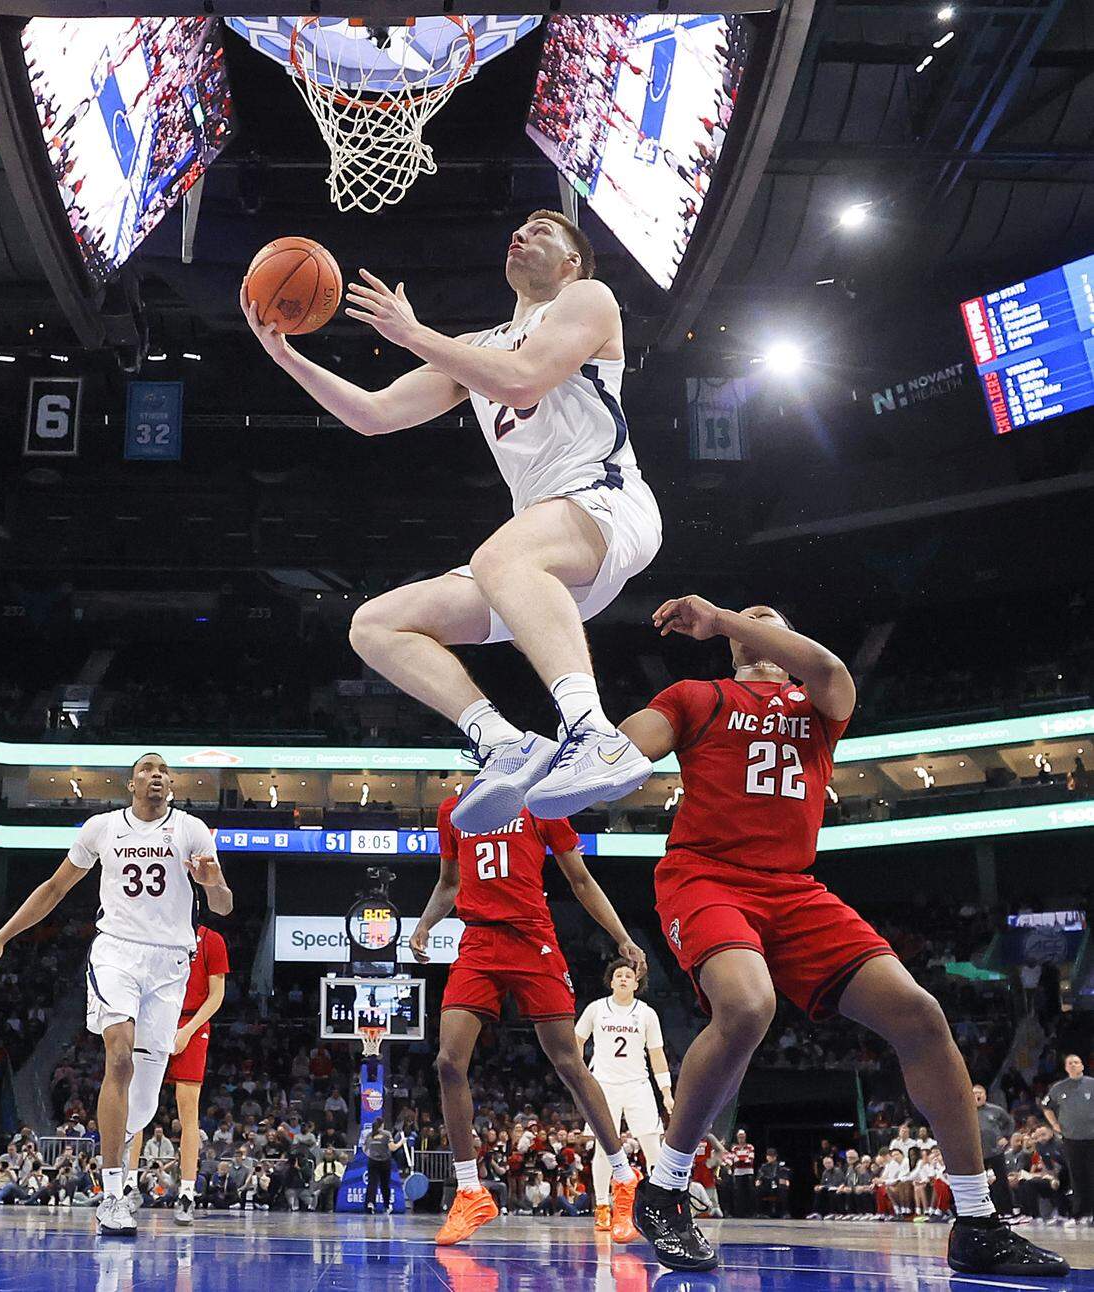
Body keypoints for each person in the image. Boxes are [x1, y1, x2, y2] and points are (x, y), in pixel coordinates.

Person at [614, 596, 1067, 1277]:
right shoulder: (695, 694)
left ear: (787, 641)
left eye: (771, 621)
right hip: (706, 877)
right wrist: (604, 748)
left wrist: (726, 619)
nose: (757, 623)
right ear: (728, 651)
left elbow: (825, 667)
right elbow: (631, 745)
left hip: (793, 889)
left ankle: (976, 1220)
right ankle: (665, 1190)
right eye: (747, 620)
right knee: (747, 1005)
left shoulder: (819, 700)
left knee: (921, 1014)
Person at [242, 211, 662, 834]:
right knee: (376, 626)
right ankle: (505, 744)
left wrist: (414, 335)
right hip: (543, 557)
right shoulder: (477, 349)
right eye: (518, 228)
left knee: (501, 556)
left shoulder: (587, 300)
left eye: (544, 230)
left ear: (574, 261)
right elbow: (373, 415)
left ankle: (596, 736)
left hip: (605, 500)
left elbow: (523, 383)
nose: (522, 233)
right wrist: (284, 355)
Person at [0, 752, 233, 1236]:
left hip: (171, 962)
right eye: (146, 769)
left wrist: (211, 880)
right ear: (130, 782)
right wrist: (0, 937)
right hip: (116, 952)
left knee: (147, 1100)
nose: (156, 775)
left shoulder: (193, 830)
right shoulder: (102, 828)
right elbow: (53, 889)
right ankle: (112, 1194)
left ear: (170, 784)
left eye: (162, 771)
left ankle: (119, 1167)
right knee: (118, 1058)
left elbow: (222, 904)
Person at [411, 794, 647, 1246]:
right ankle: (469, 1191)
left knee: (568, 1062)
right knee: (447, 1062)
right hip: (478, 942)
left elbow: (580, 880)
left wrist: (622, 938)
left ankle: (622, 1176)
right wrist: (424, 925)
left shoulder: (541, 805)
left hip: (532, 939)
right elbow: (449, 882)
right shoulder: (452, 809)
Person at [125, 921, 229, 1226]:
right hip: (153, 1020)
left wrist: (187, 1030)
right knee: (137, 1105)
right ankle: (129, 1187)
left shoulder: (211, 939)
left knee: (188, 1115)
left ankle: (186, 1194)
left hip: (192, 1025)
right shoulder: (153, 931)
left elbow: (216, 995)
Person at [574, 959, 673, 1232]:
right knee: (605, 1149)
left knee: (654, 1147)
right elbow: (577, 1041)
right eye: (618, 975)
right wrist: (579, 1076)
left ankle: (658, 1205)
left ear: (636, 983)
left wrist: (666, 1092)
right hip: (603, 1085)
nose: (623, 979)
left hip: (638, 1083)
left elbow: (656, 1053)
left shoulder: (646, 1013)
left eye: (628, 976)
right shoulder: (596, 1009)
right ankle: (603, 1207)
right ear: (611, 981)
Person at [1040, 1053, 1094, 1225]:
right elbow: (1046, 1105)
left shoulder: (1091, 1084)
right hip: (1071, 1138)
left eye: (1076, 1062)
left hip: (1092, 1137)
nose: (1073, 1065)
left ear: (1082, 1066)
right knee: (1077, 1176)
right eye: (1069, 1063)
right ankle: (1079, 1214)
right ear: (1065, 1067)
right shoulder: (1059, 1088)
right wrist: (1054, 1124)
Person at [974, 1085, 1016, 1216]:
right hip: (977, 1154)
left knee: (1001, 1181)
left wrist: (1006, 1137)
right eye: (974, 1093)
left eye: (979, 1092)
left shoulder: (995, 1110)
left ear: (985, 1095)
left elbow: (1010, 1123)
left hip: (995, 1152)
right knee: (978, 1184)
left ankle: (1006, 1211)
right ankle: (982, 1212)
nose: (977, 1095)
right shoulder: (966, 1112)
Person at [364, 1119, 401, 1214]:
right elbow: (392, 1148)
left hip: (372, 1161)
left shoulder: (369, 1135)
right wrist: (401, 1142)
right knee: (385, 1184)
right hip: (384, 1161)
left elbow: (364, 1148)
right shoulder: (386, 1134)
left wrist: (371, 1154)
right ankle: (387, 1205)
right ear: (382, 1125)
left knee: (372, 1183)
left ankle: (370, 1203)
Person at [755, 1148, 791, 1219]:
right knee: (758, 1189)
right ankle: (760, 1213)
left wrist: (784, 1180)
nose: (771, 1157)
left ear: (775, 1157)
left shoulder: (781, 1166)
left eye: (772, 1156)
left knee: (783, 1189)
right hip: (767, 1186)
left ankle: (785, 1213)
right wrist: (758, 1181)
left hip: (778, 1187)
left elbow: (785, 1175)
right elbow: (759, 1177)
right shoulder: (763, 1167)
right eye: (769, 1156)